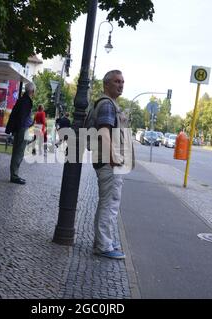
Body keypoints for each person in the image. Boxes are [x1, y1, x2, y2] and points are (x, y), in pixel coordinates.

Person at [92, 70, 134, 260]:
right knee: (109, 203)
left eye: (123, 82)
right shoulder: (108, 106)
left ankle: (104, 241)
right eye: (117, 81)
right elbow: (104, 132)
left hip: (108, 161)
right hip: (110, 162)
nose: (121, 85)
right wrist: (112, 157)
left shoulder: (110, 104)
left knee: (108, 202)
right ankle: (103, 245)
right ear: (106, 84)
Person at [5, 82, 36, 184]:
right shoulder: (26, 101)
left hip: (22, 129)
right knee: (18, 152)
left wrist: (30, 123)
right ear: (32, 91)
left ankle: (15, 174)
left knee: (18, 152)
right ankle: (14, 176)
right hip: (22, 130)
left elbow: (22, 116)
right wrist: (24, 127)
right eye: (35, 91)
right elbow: (21, 118)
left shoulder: (24, 100)